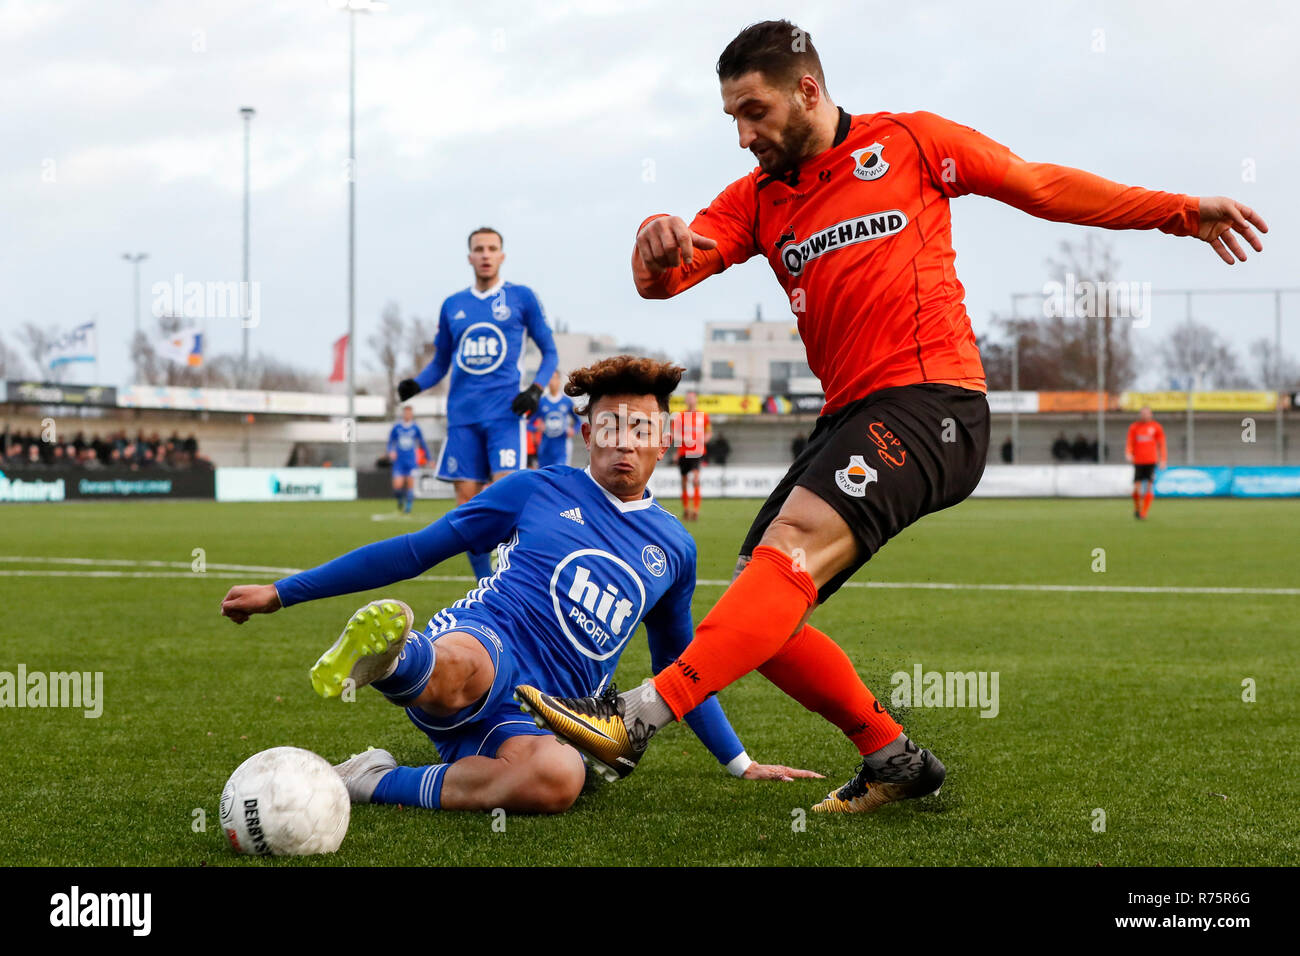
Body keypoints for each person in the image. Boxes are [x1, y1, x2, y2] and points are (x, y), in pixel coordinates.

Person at [517, 18, 1268, 814]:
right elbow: (663, 278)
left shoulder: (912, 142)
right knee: (759, 612)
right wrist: (653, 238)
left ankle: (634, 718)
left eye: (754, 111)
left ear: (807, 90)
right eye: (731, 117)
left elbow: (1039, 183)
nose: (743, 135)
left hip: (934, 403)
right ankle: (893, 757)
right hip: (849, 415)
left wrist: (1181, 212)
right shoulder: (758, 200)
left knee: (791, 554)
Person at [219, 357, 818, 814]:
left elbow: (685, 670)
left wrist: (741, 764)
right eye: (608, 425)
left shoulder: (675, 549)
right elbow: (413, 551)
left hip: (546, 717)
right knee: (464, 668)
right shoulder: (534, 488)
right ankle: (399, 659)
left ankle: (371, 778)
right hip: (488, 641)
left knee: (560, 780)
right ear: (587, 433)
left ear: (665, 439)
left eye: (640, 427)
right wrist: (283, 591)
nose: (623, 440)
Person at [396, 227, 559, 580]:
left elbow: (550, 352)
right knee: (468, 511)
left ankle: (512, 581)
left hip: (504, 416)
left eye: (492, 248)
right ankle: (484, 584)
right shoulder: (453, 305)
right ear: (469, 257)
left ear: (502, 255)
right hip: (462, 420)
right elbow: (441, 362)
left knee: (506, 504)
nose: (485, 254)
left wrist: (535, 390)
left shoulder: (521, 298)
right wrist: (416, 384)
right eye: (479, 249)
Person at [669, 390, 711, 521]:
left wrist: (703, 439)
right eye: (688, 398)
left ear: (696, 399)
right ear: (686, 400)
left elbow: (709, 433)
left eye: (692, 398)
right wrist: (685, 439)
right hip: (683, 452)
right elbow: (674, 434)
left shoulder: (703, 416)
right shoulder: (679, 417)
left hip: (697, 452)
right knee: (684, 481)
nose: (690, 400)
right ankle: (686, 508)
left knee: (696, 479)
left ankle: (696, 511)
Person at [534, 370, 583, 468]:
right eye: (550, 378)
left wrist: (573, 430)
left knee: (560, 473)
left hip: (561, 447)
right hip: (545, 448)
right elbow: (529, 423)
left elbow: (578, 421)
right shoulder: (542, 402)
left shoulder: (566, 401)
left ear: (559, 381)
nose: (553, 381)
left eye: (555, 378)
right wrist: (537, 427)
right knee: (544, 474)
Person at [387, 405, 430, 514]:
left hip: (411, 461)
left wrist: (429, 458)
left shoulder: (415, 428)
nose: (407, 415)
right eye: (406, 413)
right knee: (397, 486)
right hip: (399, 462)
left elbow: (422, 443)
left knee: (410, 485)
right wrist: (391, 451)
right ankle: (400, 500)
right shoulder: (397, 427)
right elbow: (390, 441)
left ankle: (408, 508)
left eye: (409, 413)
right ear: (403, 414)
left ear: (412, 414)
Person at [1125, 405, 1167, 520]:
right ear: (1140, 415)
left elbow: (1162, 444)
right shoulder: (1134, 427)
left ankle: (1144, 512)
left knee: (1149, 487)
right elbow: (1130, 441)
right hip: (1138, 460)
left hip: (1151, 461)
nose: (1144, 415)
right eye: (1142, 413)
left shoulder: (1156, 427)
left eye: (1146, 413)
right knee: (1137, 488)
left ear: (1151, 414)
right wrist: (1128, 452)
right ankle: (1137, 508)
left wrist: (1163, 459)